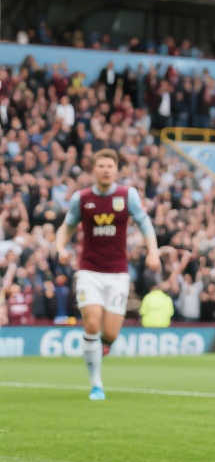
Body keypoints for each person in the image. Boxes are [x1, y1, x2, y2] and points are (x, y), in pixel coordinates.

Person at [55, 148, 161, 400]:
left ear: (116, 170)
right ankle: (96, 384)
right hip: (89, 270)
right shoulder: (82, 198)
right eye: (101, 166)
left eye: (109, 166)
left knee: (110, 333)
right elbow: (65, 228)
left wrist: (153, 252)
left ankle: (101, 348)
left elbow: (145, 224)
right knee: (91, 322)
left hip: (117, 273)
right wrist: (60, 248)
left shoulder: (127, 196)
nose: (105, 170)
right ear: (94, 169)